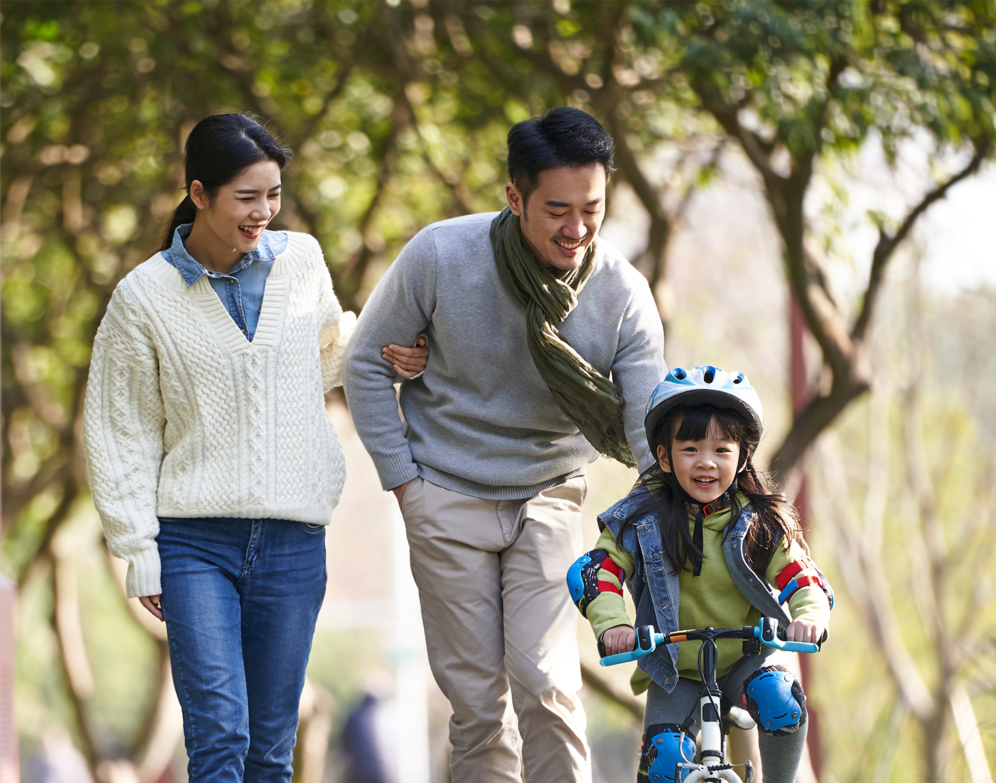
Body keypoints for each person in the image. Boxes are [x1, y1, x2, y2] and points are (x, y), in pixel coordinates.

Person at [83, 113, 427, 782]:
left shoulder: (302, 262)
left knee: (270, 748)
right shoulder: (144, 297)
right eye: (248, 197)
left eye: (273, 195)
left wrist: (386, 355)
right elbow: (118, 428)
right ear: (201, 192)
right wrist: (136, 549)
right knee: (219, 738)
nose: (264, 212)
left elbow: (324, 360)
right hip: (192, 545)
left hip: (293, 543)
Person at [344, 107, 666, 782]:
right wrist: (405, 482)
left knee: (547, 684)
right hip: (444, 492)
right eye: (557, 209)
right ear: (514, 197)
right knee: (478, 708)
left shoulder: (622, 293)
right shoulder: (439, 255)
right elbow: (366, 362)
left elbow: (647, 425)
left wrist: (672, 517)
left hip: (549, 495)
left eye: (592, 208)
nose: (576, 229)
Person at [571, 365, 833, 783]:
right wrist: (613, 625)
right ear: (663, 457)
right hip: (679, 671)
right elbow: (595, 571)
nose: (705, 463)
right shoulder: (643, 517)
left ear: (743, 455)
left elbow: (804, 579)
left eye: (721, 450)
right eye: (690, 449)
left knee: (784, 702)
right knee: (664, 759)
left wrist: (809, 618)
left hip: (748, 660)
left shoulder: (760, 520)